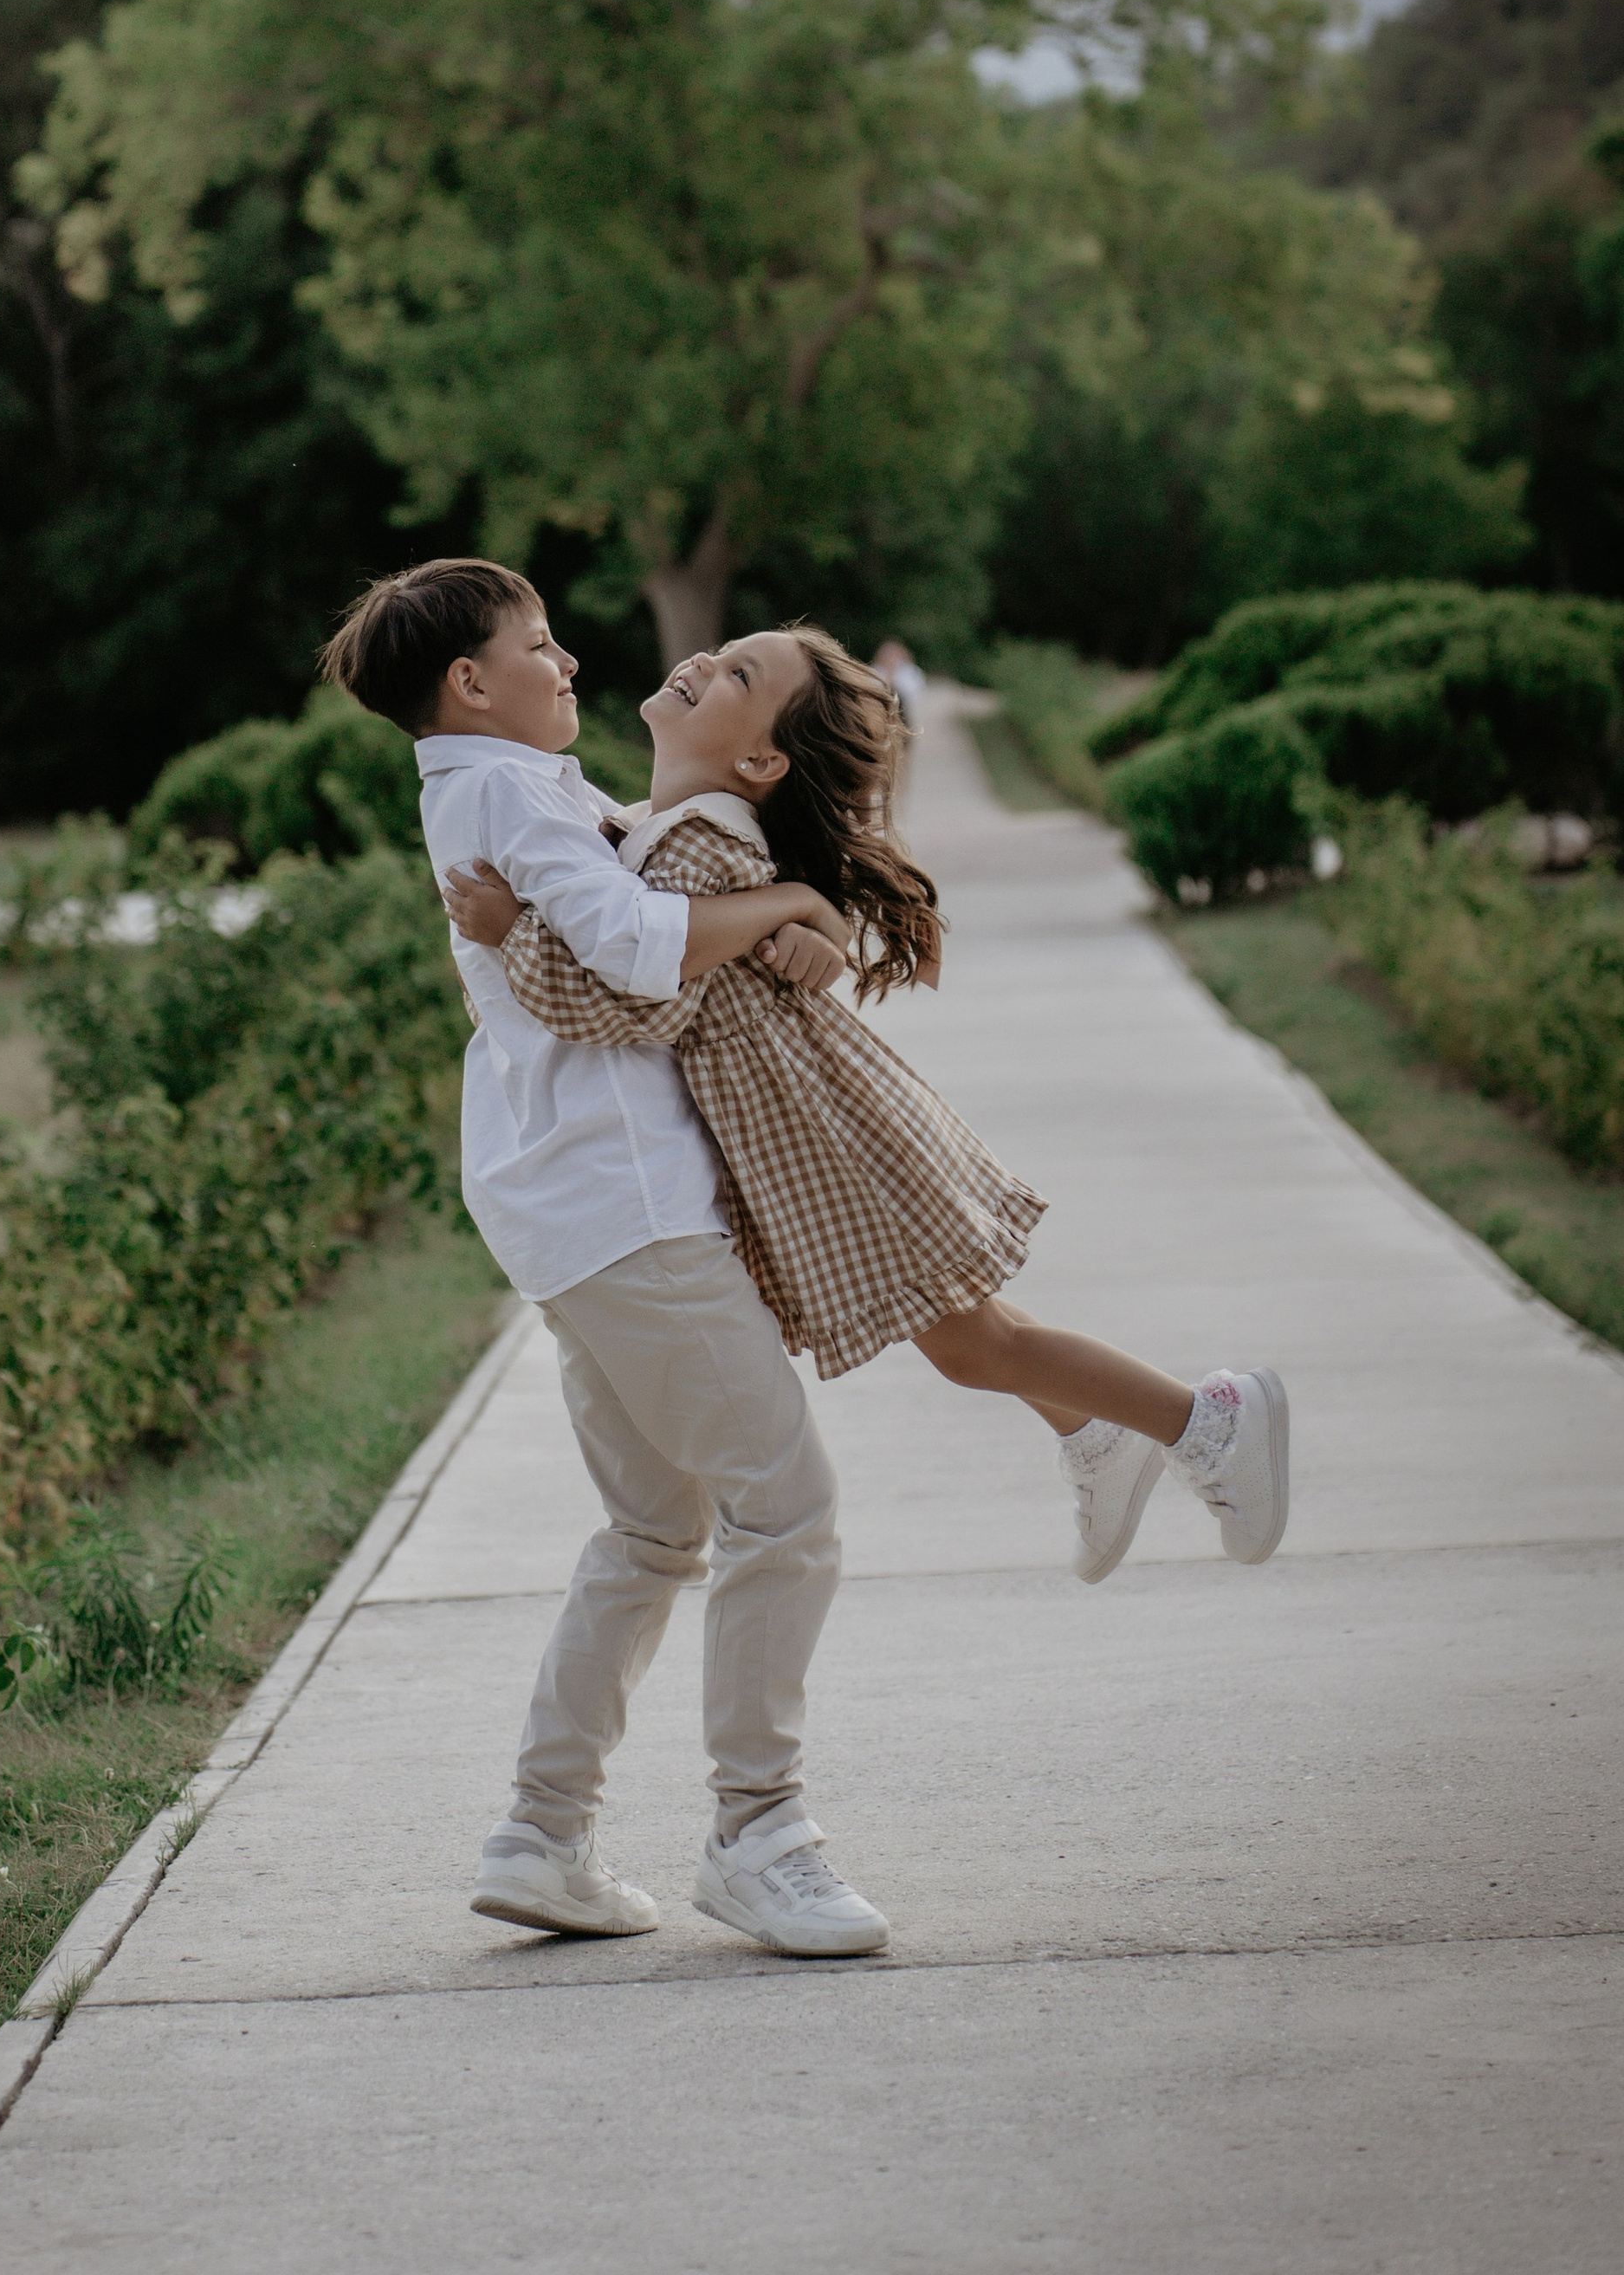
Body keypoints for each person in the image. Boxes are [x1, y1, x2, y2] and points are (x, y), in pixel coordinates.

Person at [443, 622, 1291, 1589]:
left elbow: (633, 998)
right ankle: (1105, 1432)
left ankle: (1207, 1420)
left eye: (734, 674)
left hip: (817, 1135)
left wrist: (512, 936)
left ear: (761, 755)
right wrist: (810, 907)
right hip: (807, 1121)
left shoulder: (690, 848)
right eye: (717, 655)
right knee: (972, 1337)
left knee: (974, 1342)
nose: (698, 665)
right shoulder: (659, 828)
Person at [320, 560, 896, 1959]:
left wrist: (800, 918)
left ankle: (542, 1834)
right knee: (789, 1509)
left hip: (570, 1213)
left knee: (655, 1533)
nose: (569, 661)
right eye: (539, 644)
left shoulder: (507, 791)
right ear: (473, 683)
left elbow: (632, 871)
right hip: (626, 1213)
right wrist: (781, 911)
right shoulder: (511, 792)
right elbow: (640, 949)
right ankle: (761, 1831)